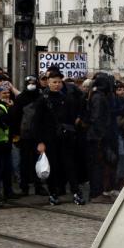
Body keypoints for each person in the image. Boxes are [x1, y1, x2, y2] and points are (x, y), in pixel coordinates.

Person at [35, 70, 85, 206]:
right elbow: (37, 122)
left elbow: (72, 117)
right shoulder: (42, 100)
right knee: (53, 167)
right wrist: (40, 142)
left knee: (70, 166)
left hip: (65, 138)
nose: (57, 85)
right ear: (48, 83)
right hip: (49, 139)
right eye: (54, 82)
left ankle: (76, 192)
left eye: (59, 82)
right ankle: (53, 193)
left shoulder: (67, 98)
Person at [86, 73, 118, 199]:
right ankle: (96, 192)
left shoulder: (96, 95)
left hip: (97, 135)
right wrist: (100, 136)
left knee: (99, 165)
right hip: (97, 137)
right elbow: (97, 118)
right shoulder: (99, 97)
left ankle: (97, 191)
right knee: (97, 166)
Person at [0, 82, 17, 201]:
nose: (7, 95)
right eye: (4, 93)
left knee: (8, 168)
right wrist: (10, 108)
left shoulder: (8, 105)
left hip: (6, 141)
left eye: (8, 93)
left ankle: (8, 191)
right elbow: (6, 121)